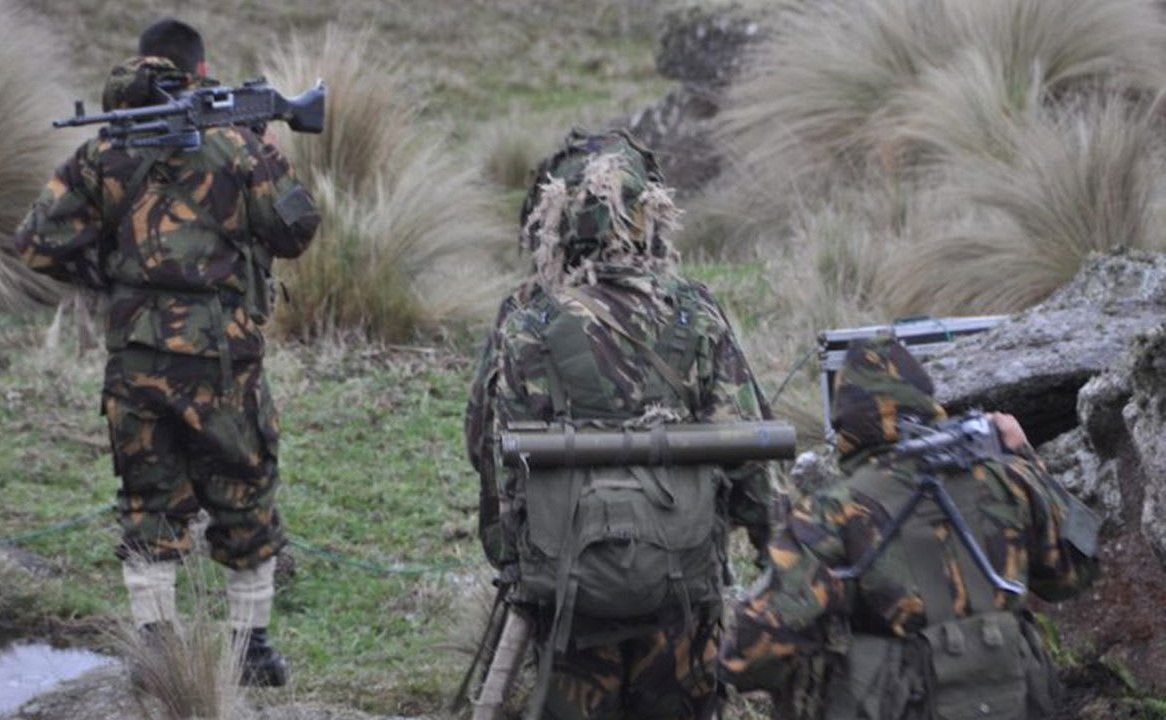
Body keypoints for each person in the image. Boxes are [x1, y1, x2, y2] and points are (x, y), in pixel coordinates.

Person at [15, 18, 319, 687]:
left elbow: (36, 242)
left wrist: (108, 279)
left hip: (136, 359)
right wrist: (265, 147)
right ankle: (251, 650)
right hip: (222, 363)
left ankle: (157, 650)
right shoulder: (239, 146)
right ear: (200, 72)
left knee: (148, 504)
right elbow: (298, 230)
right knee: (245, 494)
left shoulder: (105, 150)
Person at [465, 129, 779, 720]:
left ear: (554, 219)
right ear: (648, 216)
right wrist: (768, 550)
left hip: (568, 595)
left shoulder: (526, 324)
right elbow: (746, 452)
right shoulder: (694, 312)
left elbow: (490, 452)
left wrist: (514, 565)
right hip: (683, 588)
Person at [719, 337, 1100, 720]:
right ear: (928, 402)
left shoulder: (834, 512)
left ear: (847, 428)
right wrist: (1026, 458)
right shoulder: (1009, 481)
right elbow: (1074, 575)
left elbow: (747, 654)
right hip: (1015, 702)